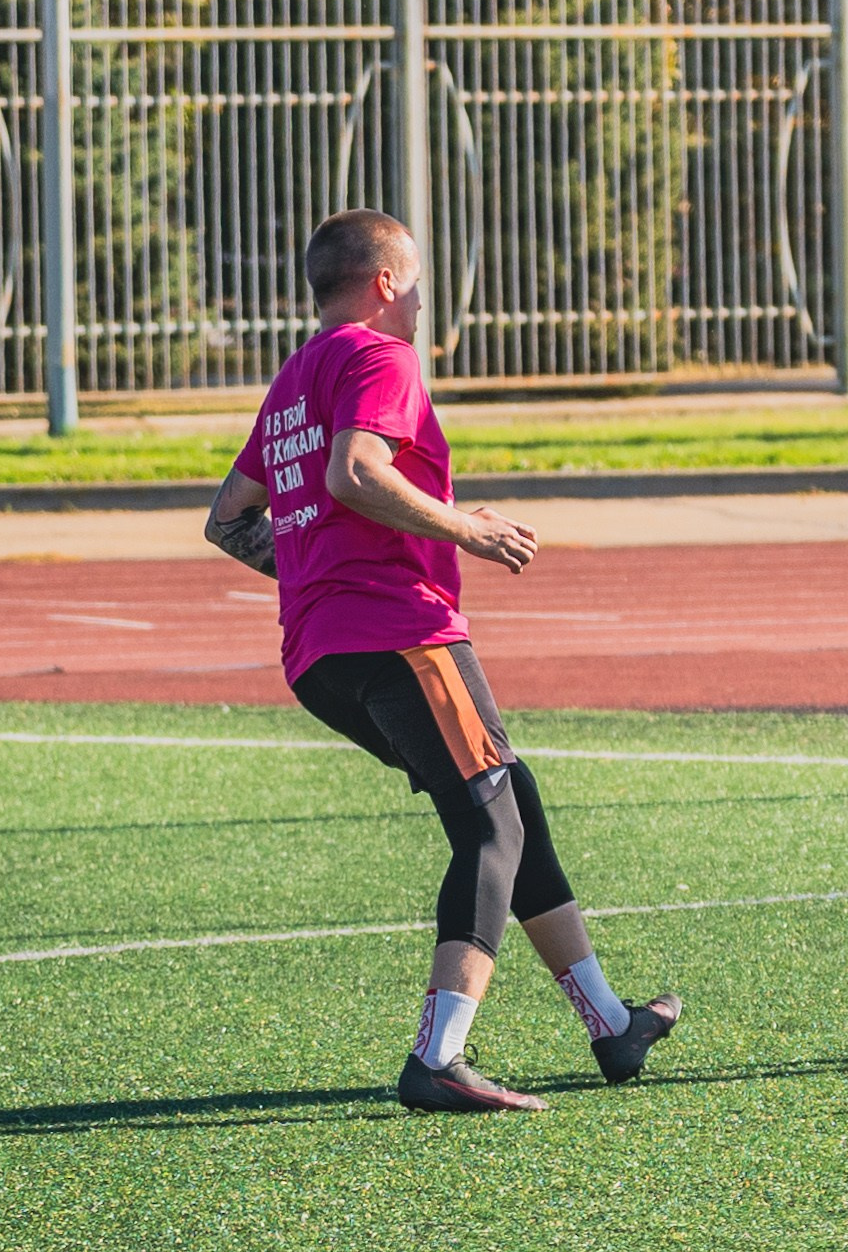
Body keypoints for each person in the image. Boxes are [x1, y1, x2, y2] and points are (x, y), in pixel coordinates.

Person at [204, 207, 679, 1114]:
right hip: (400, 633)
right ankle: (438, 1056)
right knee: (491, 827)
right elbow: (355, 471)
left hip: (320, 657)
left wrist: (314, 570)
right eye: (416, 282)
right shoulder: (380, 355)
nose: (422, 301)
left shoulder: (293, 380)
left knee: (510, 798)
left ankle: (613, 1024)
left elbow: (227, 520)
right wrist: (469, 528)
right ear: (385, 283)